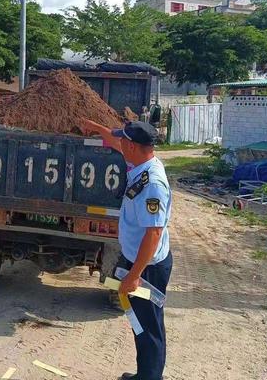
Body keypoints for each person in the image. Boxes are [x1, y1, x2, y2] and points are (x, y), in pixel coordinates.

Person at [80, 120, 172, 380]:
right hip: (137, 260)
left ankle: (150, 377)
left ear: (132, 146)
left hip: (148, 268)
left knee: (148, 326)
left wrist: (133, 276)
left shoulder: (152, 184)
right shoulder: (140, 162)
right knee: (141, 323)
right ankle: (146, 374)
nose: (119, 143)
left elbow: (153, 233)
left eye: (123, 141)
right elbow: (112, 138)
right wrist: (93, 126)